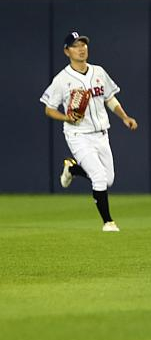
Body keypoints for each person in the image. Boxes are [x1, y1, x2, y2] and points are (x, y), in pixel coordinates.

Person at [39, 31, 138, 232]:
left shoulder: (99, 72)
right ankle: (108, 223)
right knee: (99, 177)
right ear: (67, 51)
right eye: (75, 45)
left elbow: (109, 98)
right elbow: (49, 108)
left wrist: (124, 117)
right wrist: (66, 117)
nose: (81, 48)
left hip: (101, 133)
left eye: (83, 44)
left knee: (107, 179)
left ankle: (72, 169)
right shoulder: (62, 79)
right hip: (78, 135)